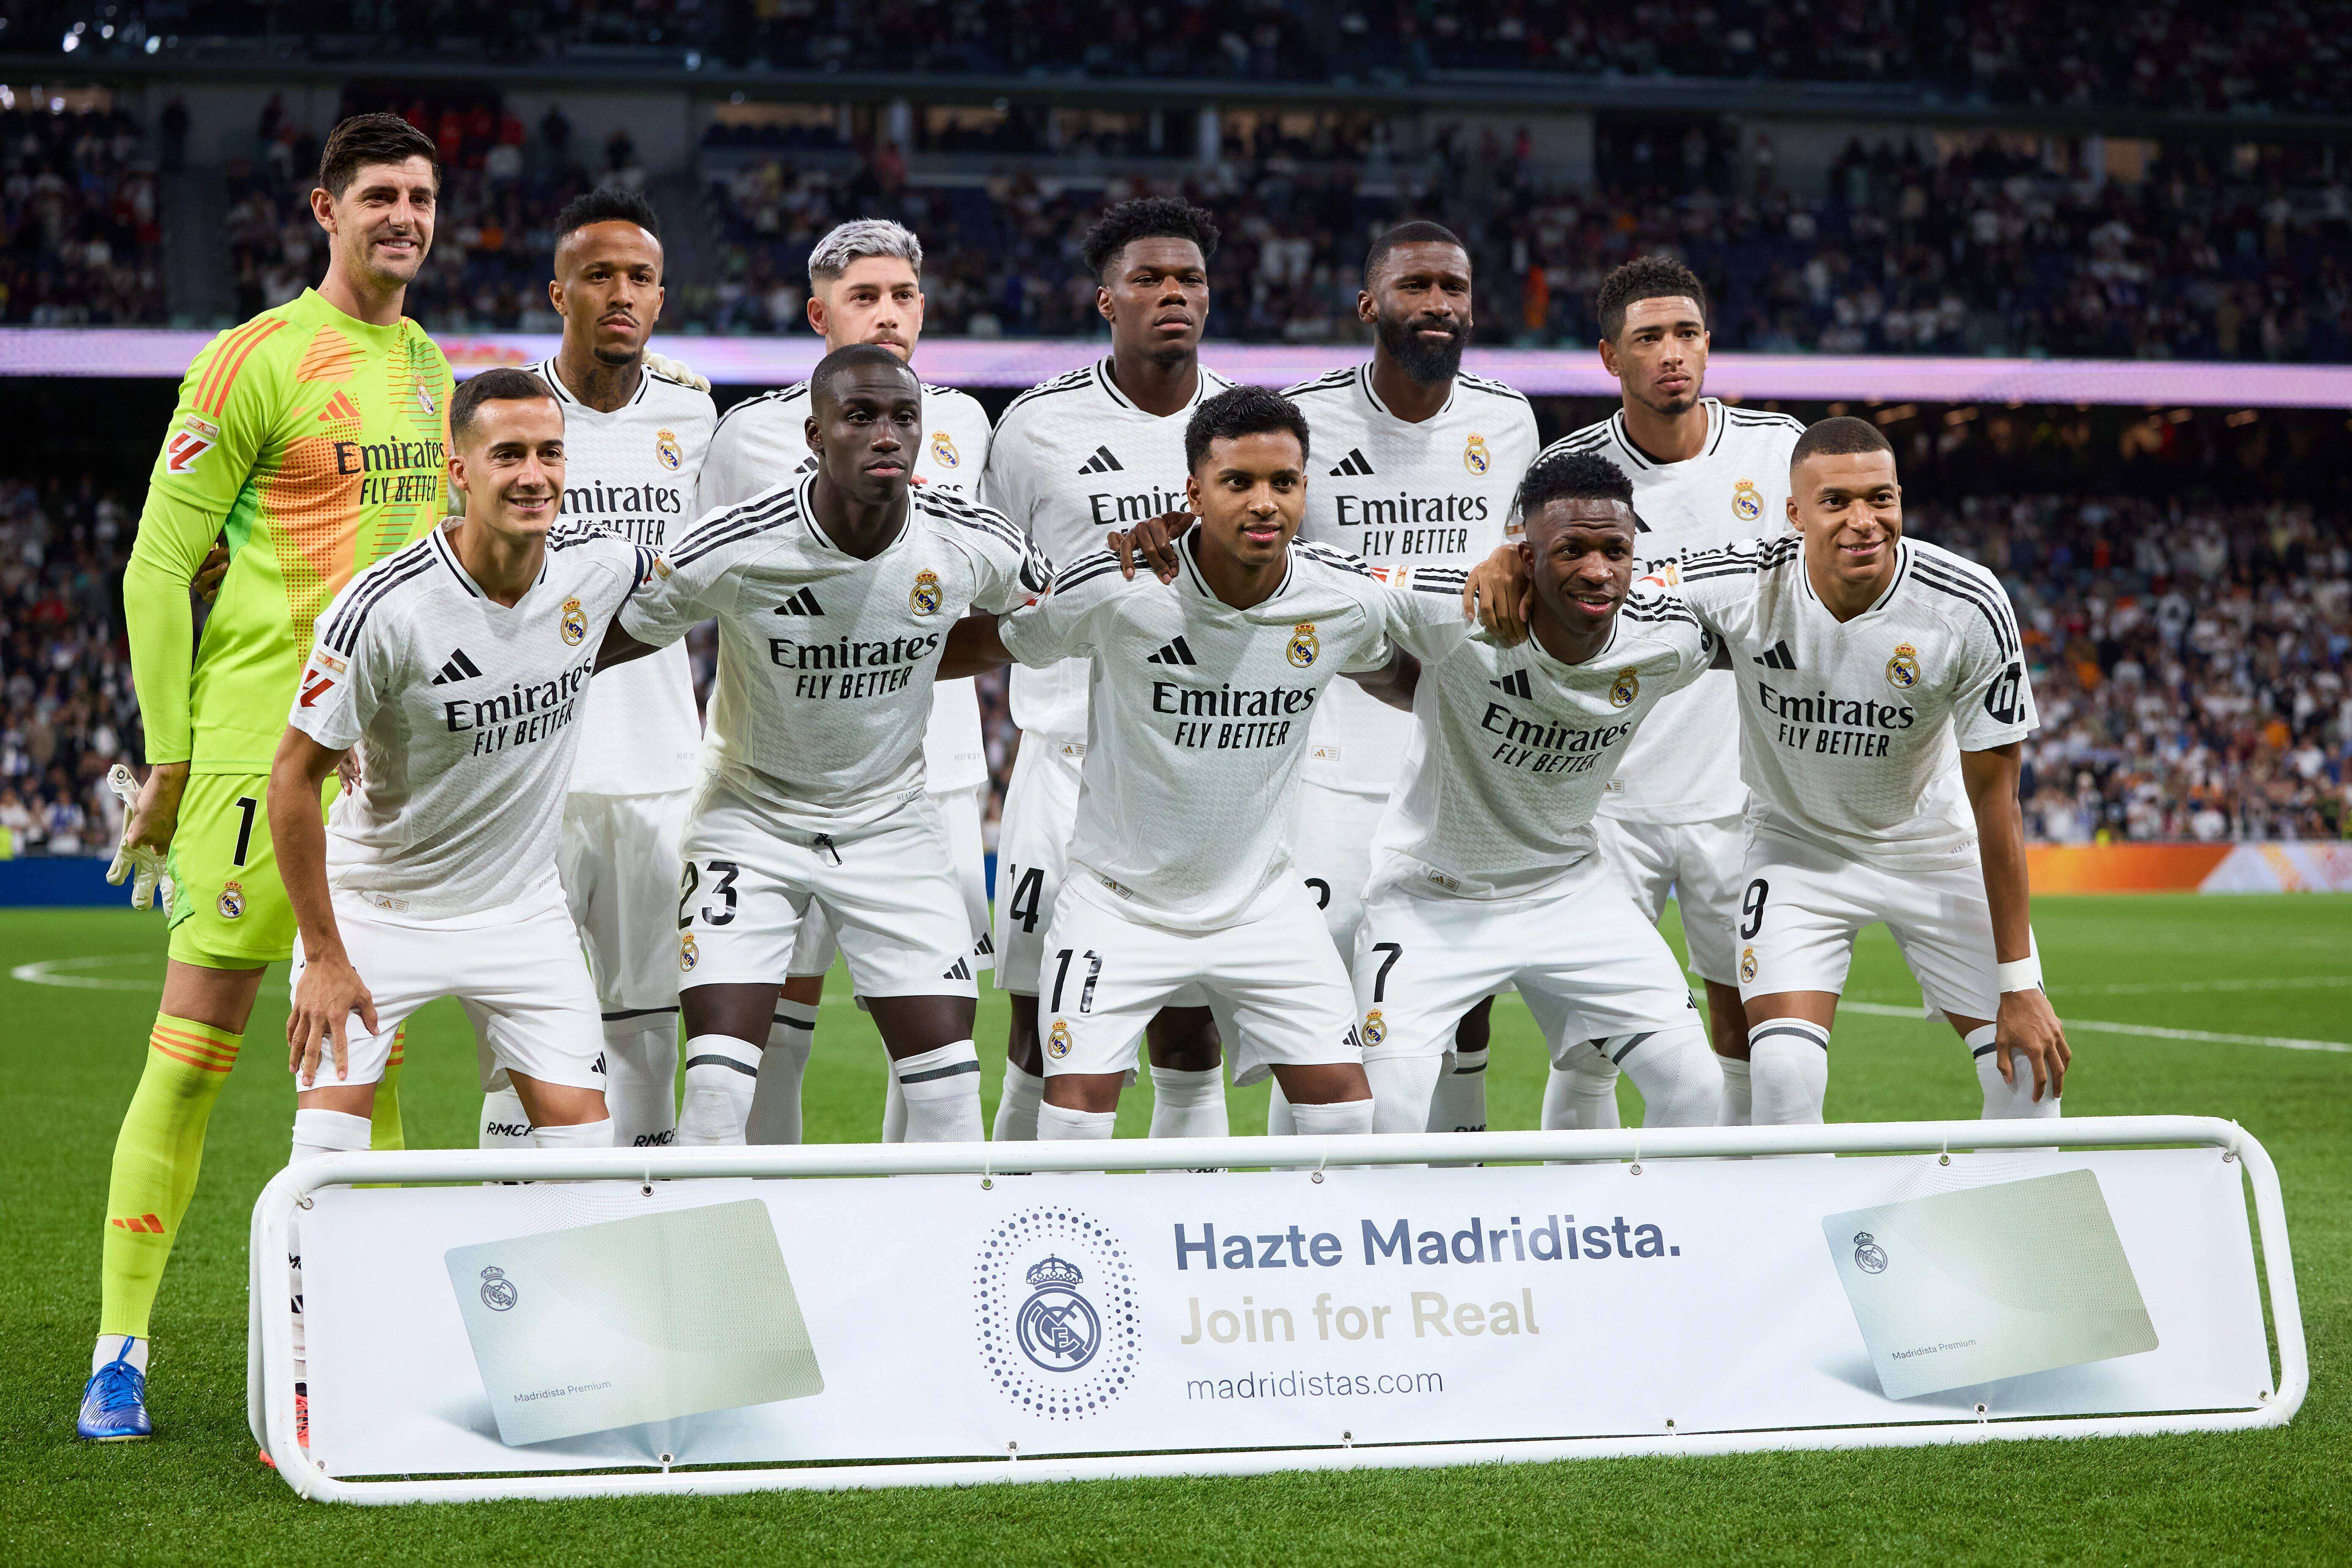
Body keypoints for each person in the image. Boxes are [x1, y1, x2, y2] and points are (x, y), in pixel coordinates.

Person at [82, 113, 453, 1444]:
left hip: (389, 767)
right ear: (324, 210)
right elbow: (152, 567)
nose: (404, 217)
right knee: (191, 1057)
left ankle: (374, 1337)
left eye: (420, 197)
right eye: (379, 198)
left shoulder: (427, 369)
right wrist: (171, 759)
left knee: (371, 1050)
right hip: (254, 753)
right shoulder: (253, 360)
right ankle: (119, 1347)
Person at [1467, 417, 2070, 1125]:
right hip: (1797, 852)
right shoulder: (1739, 586)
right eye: (1836, 501)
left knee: (2027, 1069)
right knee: (1780, 1075)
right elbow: (1602, 584)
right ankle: (1795, 1235)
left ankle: (2016, 1233)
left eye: (1880, 498)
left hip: (1929, 848)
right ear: (1793, 515)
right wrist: (1509, 560)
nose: (1863, 521)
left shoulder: (1966, 605)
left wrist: (2020, 982)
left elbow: (1996, 802)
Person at [270, 368, 641, 1449]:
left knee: (586, 1155)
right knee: (327, 1165)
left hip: (523, 917)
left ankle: (578, 1383)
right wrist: (327, 956)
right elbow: (294, 778)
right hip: (379, 912)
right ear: (458, 472)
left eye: (549, 454)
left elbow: (674, 599)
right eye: (508, 457)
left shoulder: (599, 568)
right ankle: (307, 1389)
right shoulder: (384, 607)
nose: (533, 476)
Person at [1114, 219, 1539, 1140]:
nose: (1437, 306)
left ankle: (1443, 1209)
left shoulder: (1510, 420)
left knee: (1462, 1001)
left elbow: (1510, 565)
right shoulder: (1301, 418)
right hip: (1328, 748)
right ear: (1369, 304)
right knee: (1314, 1007)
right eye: (1416, 288)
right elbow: (1236, 548)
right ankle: (1296, 1221)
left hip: (1459, 747)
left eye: (1453, 290)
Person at [602, 345, 1050, 1146]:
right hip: (750, 819)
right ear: (815, 434)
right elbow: (610, 640)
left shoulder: (971, 540)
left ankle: (927, 1274)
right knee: (711, 1103)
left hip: (892, 827)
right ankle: (726, 1274)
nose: (887, 435)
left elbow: (1056, 619)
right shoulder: (739, 542)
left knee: (949, 1108)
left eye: (904, 419)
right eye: (861, 418)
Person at [941, 386, 1406, 1140]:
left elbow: (1399, 675)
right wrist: (870, 656)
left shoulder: (1339, 600)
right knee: (1073, 1128)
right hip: (1119, 904)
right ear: (1194, 491)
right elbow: (995, 641)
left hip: (1261, 902)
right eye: (1238, 483)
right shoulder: (1120, 585)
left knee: (1348, 1116)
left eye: (1282, 483)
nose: (1263, 503)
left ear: (1305, 490)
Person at [696, 219, 995, 1145]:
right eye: (864, 296)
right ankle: (778, 1224)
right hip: (776, 769)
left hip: (930, 771)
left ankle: (911, 1226)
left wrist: (892, 662)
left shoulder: (966, 424)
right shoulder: (747, 435)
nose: (887, 313)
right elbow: (708, 591)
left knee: (936, 1028)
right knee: (777, 1021)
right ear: (819, 313)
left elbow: (969, 597)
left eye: (903, 295)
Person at [1347, 450, 1722, 1132]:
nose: (1597, 571)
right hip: (1433, 898)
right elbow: (1327, 577)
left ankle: (1627, 1234)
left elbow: (1767, 598)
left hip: (1569, 892)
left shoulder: (1669, 639)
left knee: (1696, 1089)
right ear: (1526, 556)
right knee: (1384, 1114)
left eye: (1615, 550)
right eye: (1569, 550)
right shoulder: (1453, 616)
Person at [978, 197, 1234, 1143]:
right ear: (1105, 299)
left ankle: (1184, 1237)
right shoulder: (1037, 427)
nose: (1173, 294)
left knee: (1189, 1024)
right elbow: (998, 592)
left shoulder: (1250, 423)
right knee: (1039, 1023)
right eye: (1150, 279)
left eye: (1191, 279)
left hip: (1203, 762)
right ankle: (1009, 1222)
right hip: (1069, 756)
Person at [1530, 256, 1804, 1132]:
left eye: (1687, 334)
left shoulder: (1778, 450)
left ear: (1710, 345)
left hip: (1743, 798)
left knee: (1743, 1026)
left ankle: (1727, 1226)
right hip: (1607, 801)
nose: (1672, 353)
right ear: (1611, 358)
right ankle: (1590, 1234)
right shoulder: (1567, 471)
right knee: (1591, 1042)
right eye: (1648, 338)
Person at [471, 188, 715, 1157]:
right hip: (528, 767)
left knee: (651, 1022)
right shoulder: (504, 412)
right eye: (599, 275)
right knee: (518, 1031)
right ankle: (507, 1246)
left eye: (641, 278)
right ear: (557, 292)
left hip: (659, 766)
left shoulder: (697, 417)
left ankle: (641, 1225)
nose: (622, 292)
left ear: (662, 296)